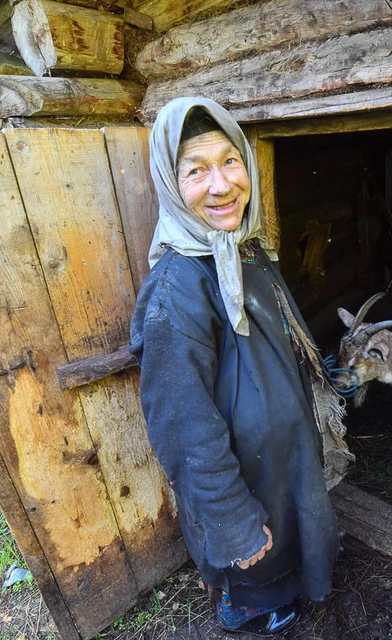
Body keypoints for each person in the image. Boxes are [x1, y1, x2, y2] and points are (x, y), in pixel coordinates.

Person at [129, 97, 353, 635]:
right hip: (245, 474)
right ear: (169, 182)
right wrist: (232, 523)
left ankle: (279, 593)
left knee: (289, 540)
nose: (222, 185)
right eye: (196, 171)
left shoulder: (245, 250)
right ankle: (245, 611)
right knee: (253, 564)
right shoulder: (177, 289)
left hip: (277, 459)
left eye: (230, 161)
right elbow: (184, 429)